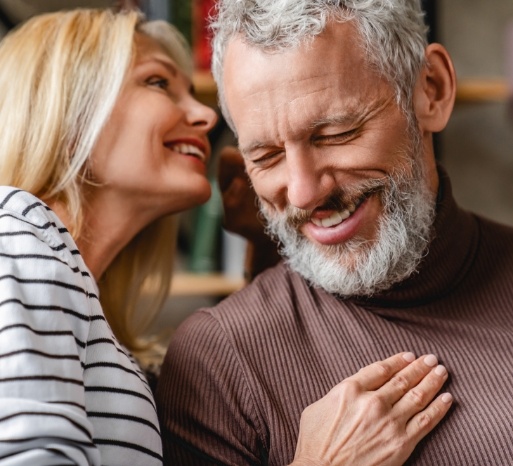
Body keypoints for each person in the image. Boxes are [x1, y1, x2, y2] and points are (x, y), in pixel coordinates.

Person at [0, 6, 450, 466]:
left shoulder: (93, 319)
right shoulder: (13, 233)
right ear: (65, 108)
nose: (205, 116)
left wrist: (285, 237)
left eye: (335, 132)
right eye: (157, 83)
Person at [155, 0, 513, 465]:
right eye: (265, 156)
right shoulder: (218, 361)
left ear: (431, 90)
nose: (303, 194)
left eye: (336, 133)